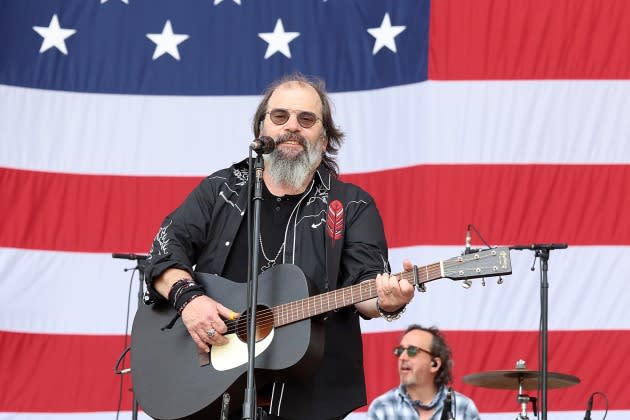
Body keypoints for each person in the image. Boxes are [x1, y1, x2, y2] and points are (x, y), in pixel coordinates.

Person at [142, 73, 415, 420]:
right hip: (210, 391)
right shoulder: (221, 190)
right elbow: (164, 251)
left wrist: (387, 300)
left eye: (306, 119)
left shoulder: (352, 206)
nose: (292, 127)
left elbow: (366, 287)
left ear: (325, 136)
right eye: (280, 116)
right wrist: (190, 300)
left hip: (309, 397)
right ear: (261, 129)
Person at [367, 325, 480, 420]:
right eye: (400, 351)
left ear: (434, 364)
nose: (402, 357)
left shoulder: (464, 408)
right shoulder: (381, 407)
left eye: (412, 351)